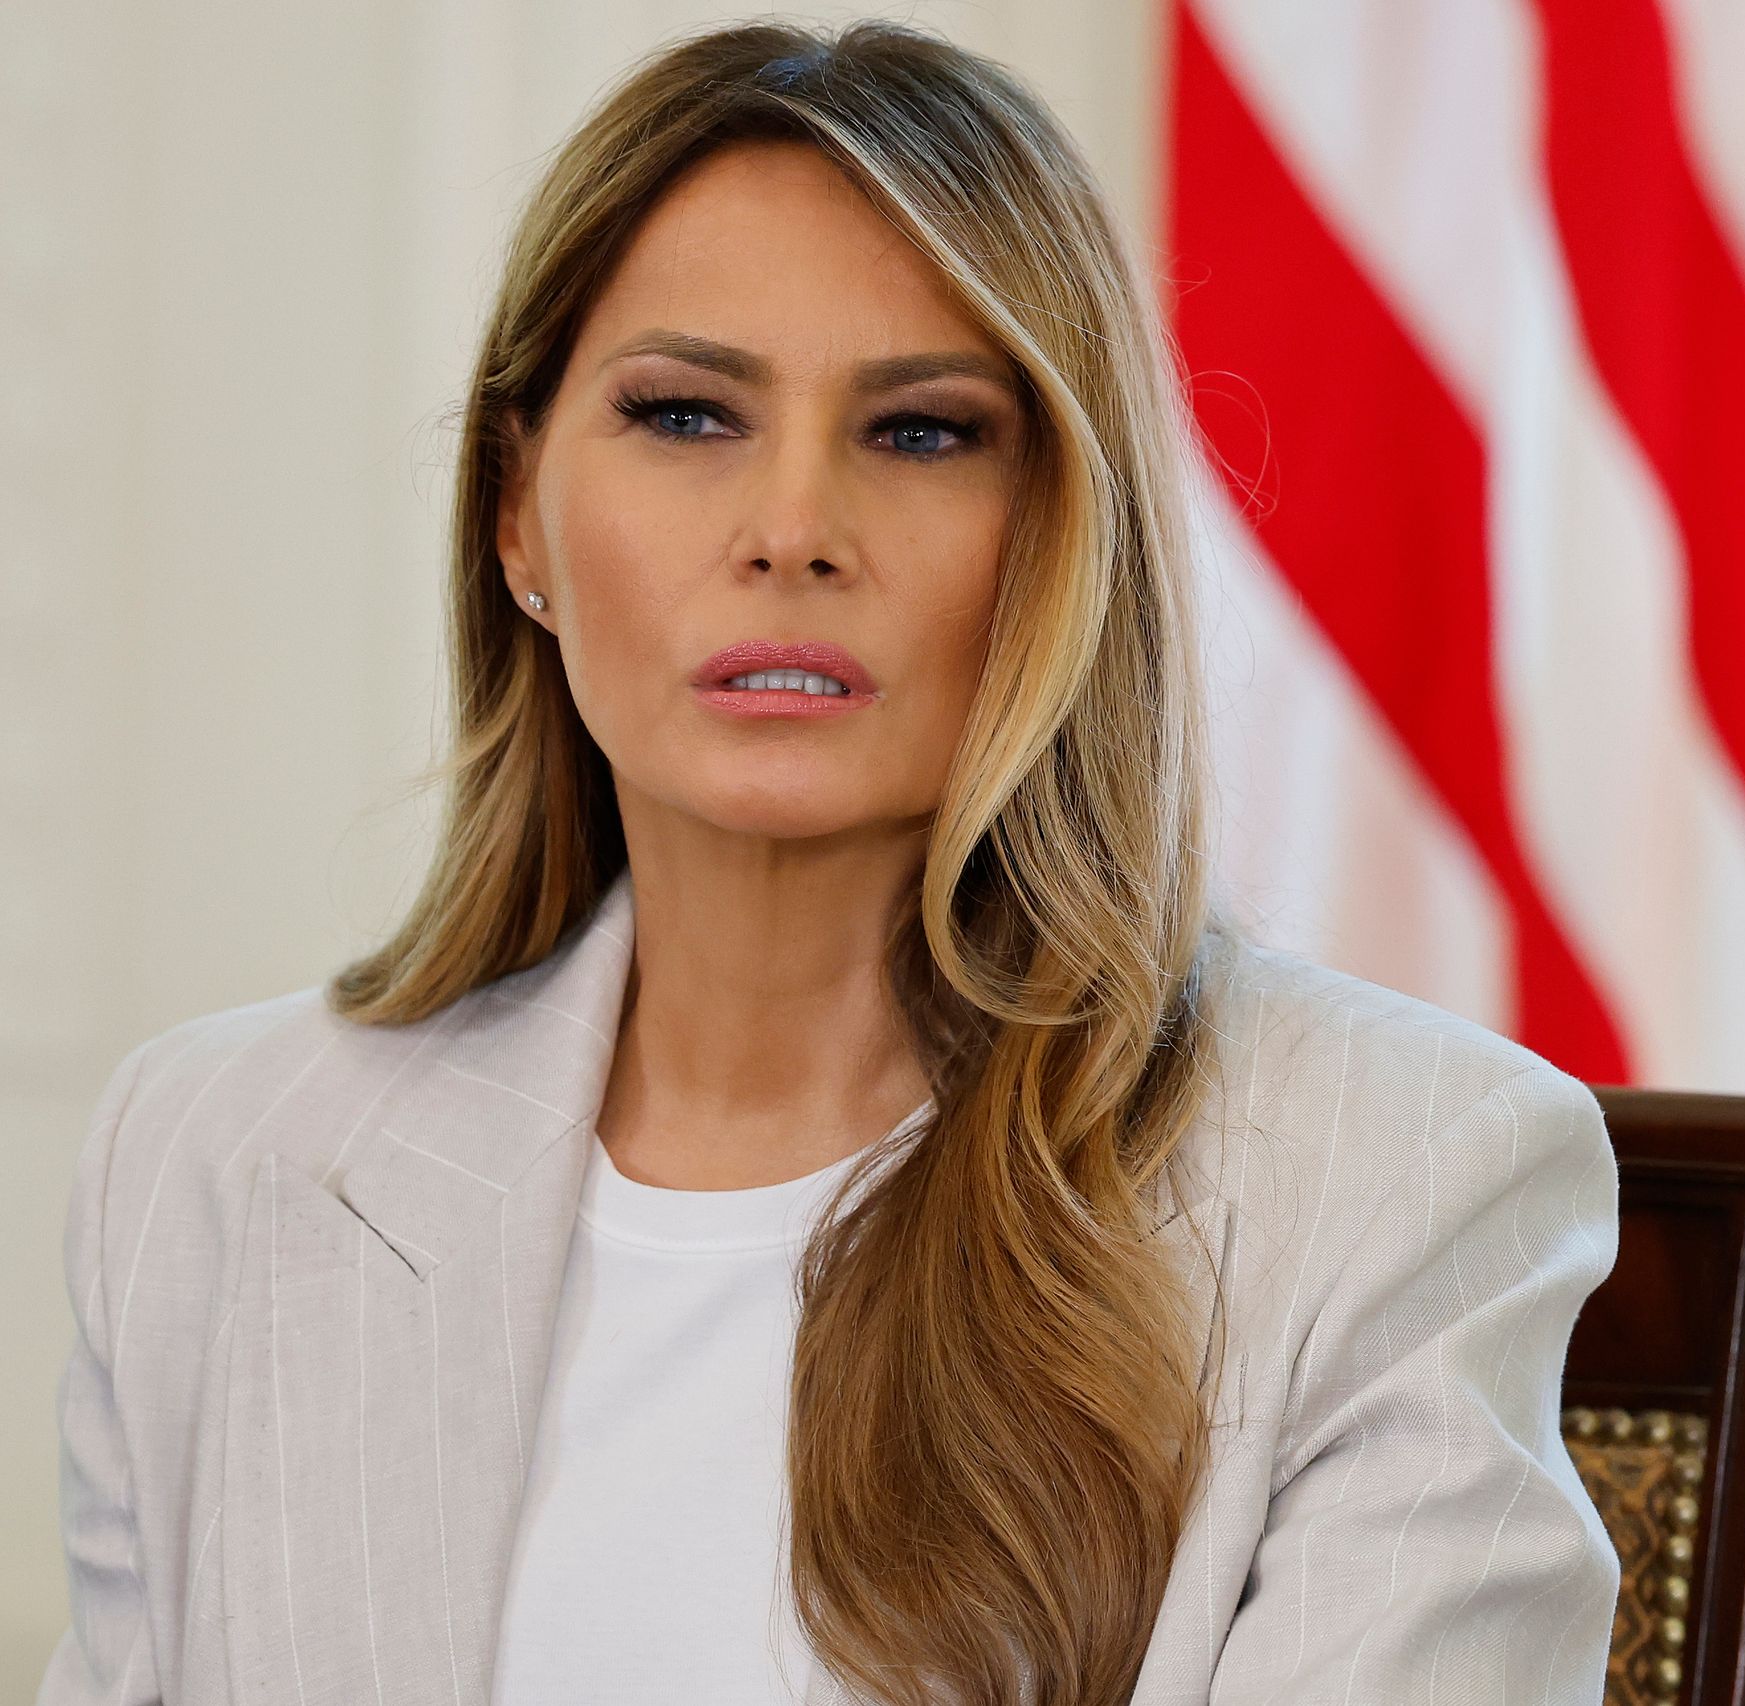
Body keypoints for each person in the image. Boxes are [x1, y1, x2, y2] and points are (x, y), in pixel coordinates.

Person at [40, 19, 1621, 1706]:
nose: (792, 529)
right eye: (685, 414)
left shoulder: (1401, 1180)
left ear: (1064, 535)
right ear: (518, 518)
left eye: (922, 431)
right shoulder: (214, 1159)